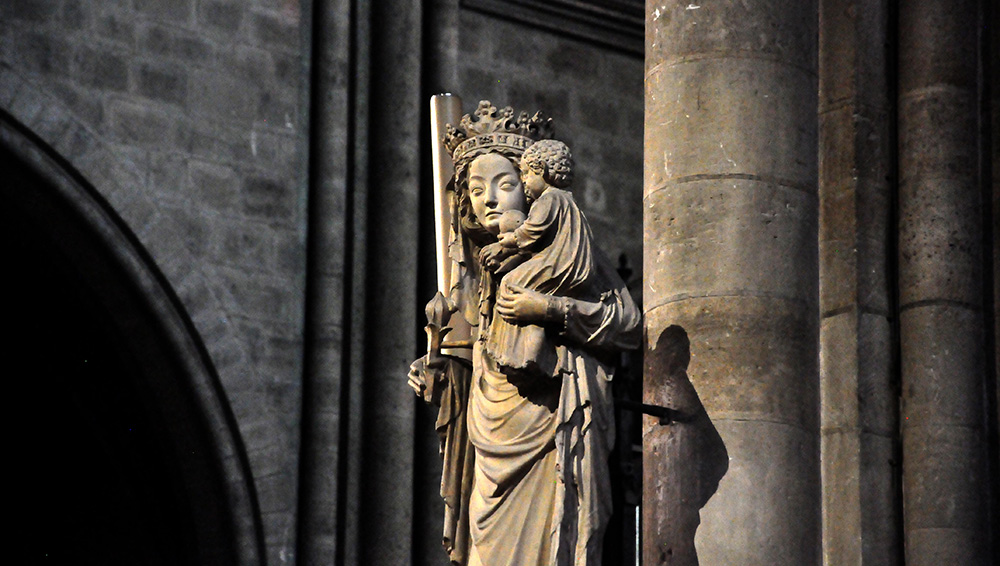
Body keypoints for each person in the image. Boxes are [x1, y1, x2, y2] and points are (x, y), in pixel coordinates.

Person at [409, 101, 641, 566]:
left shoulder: (569, 252)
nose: (489, 199)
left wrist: (550, 308)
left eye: (505, 184)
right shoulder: (474, 279)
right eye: (476, 190)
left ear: (531, 189)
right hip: (487, 437)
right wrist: (438, 373)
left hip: (547, 428)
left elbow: (627, 325)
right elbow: (473, 362)